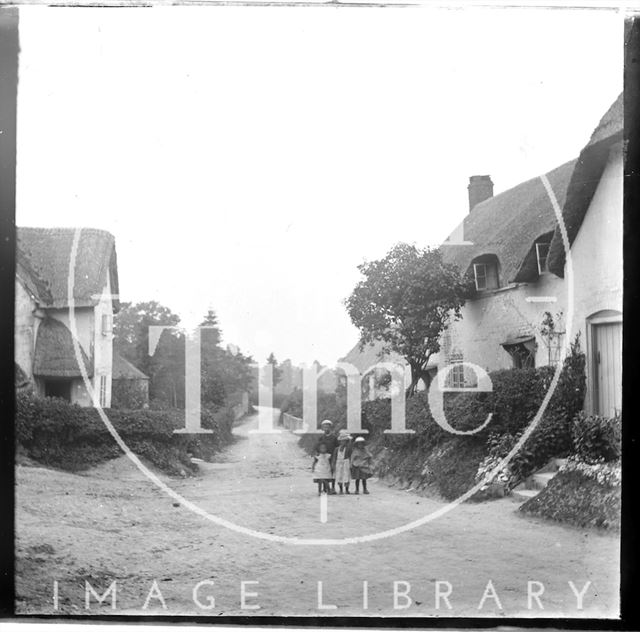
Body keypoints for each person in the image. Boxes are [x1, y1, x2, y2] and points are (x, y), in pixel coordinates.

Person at [316, 419, 338, 494]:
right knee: (324, 472)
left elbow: (336, 447)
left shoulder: (334, 437)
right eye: (325, 427)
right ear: (322, 428)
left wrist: (335, 456)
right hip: (324, 458)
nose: (326, 429)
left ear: (330, 428)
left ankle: (333, 487)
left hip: (332, 457)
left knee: (332, 472)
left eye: (328, 427)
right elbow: (318, 447)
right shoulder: (321, 438)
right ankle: (325, 488)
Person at [331, 430, 352, 494]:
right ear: (340, 441)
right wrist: (333, 464)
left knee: (346, 476)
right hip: (338, 463)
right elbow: (334, 457)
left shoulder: (348, 448)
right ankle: (341, 489)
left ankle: (347, 489)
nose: (343, 442)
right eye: (342, 441)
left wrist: (350, 464)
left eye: (345, 441)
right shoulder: (337, 449)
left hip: (346, 463)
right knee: (339, 476)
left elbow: (350, 456)